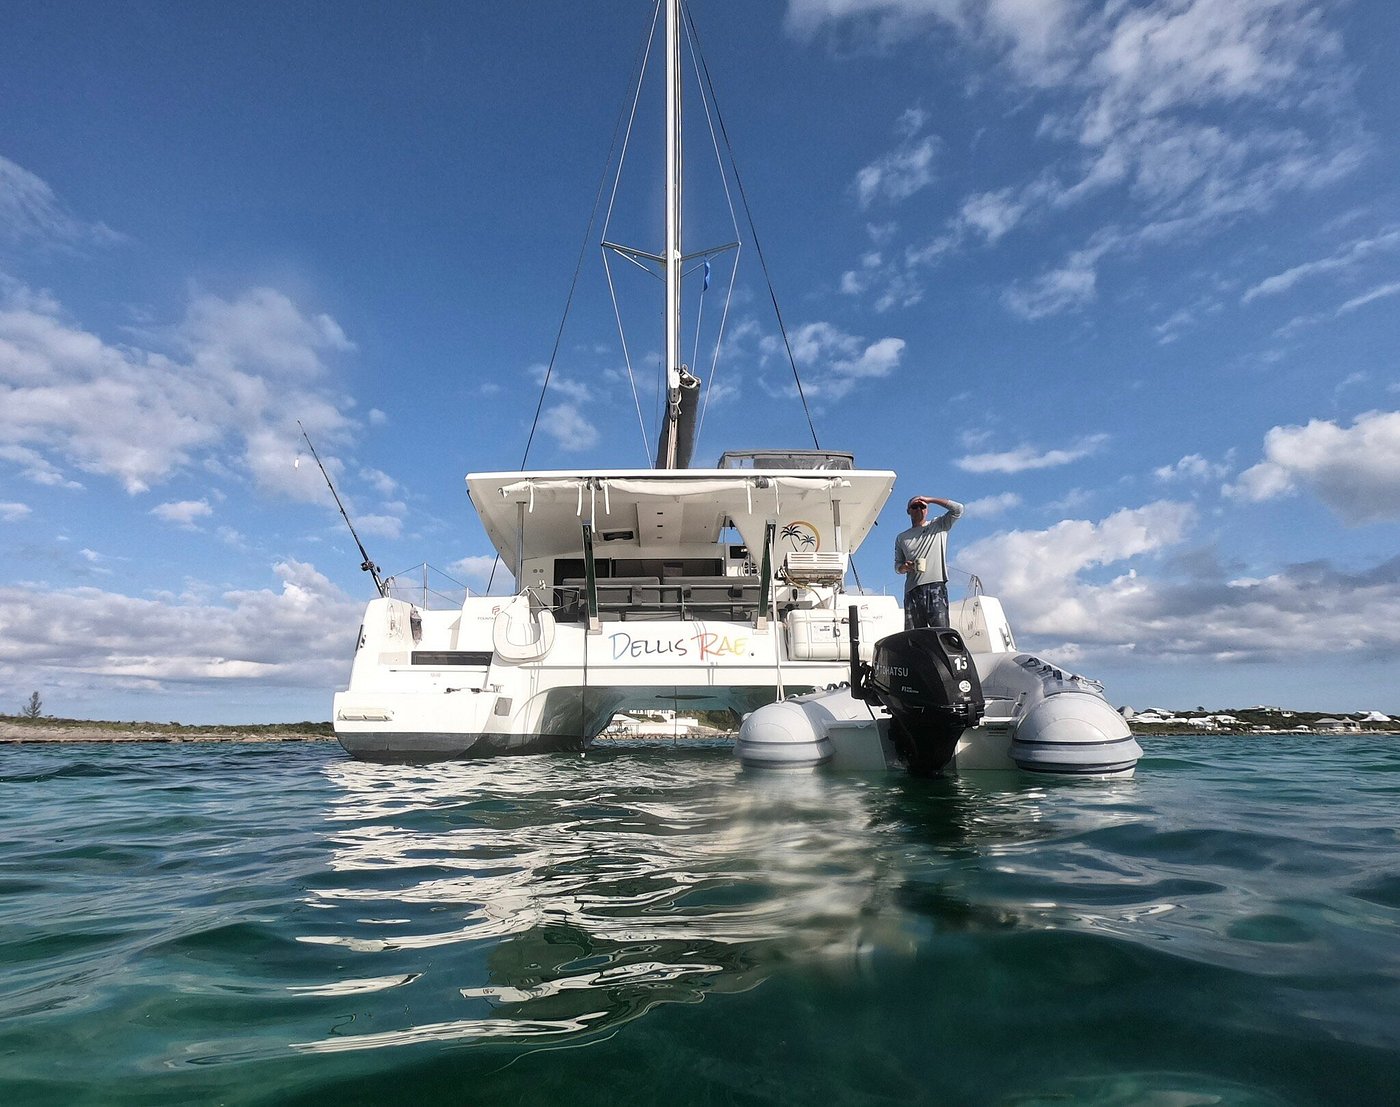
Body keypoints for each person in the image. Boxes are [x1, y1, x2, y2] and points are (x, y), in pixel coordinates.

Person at [895, 495, 963, 629]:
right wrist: (905, 567)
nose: (919, 509)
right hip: (912, 590)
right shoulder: (901, 537)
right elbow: (898, 567)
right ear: (908, 511)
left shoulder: (938, 525)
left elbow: (958, 509)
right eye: (915, 506)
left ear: (927, 509)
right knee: (915, 636)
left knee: (940, 631)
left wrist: (930, 499)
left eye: (922, 506)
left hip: (935, 586)